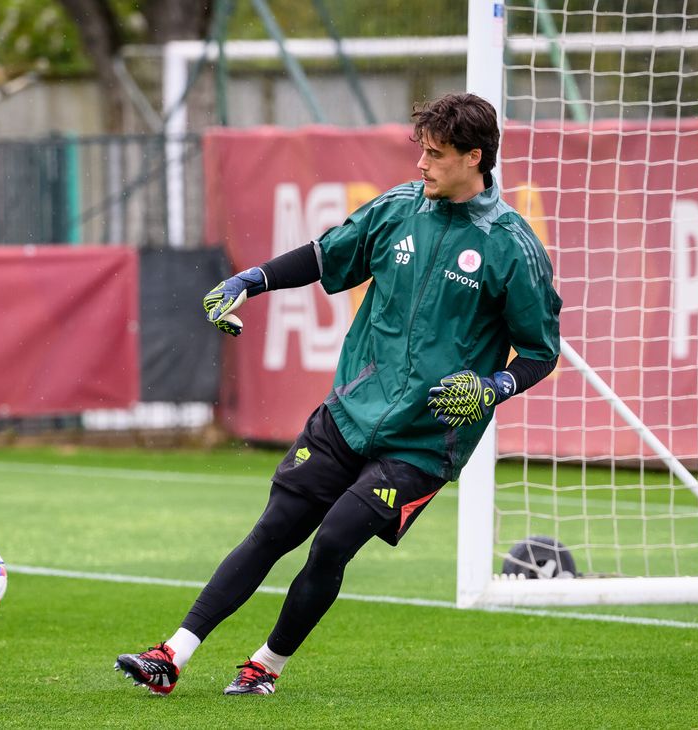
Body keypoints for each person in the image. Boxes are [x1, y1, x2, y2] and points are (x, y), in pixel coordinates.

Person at [115, 92, 562, 697]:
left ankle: (265, 666)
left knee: (332, 542)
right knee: (274, 530)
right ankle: (171, 655)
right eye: (421, 150)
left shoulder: (513, 245)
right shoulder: (396, 210)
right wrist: (251, 280)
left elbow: (540, 352)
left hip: (425, 441)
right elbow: (323, 256)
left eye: (435, 154)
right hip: (349, 413)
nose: (422, 164)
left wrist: (492, 386)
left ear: (474, 157)